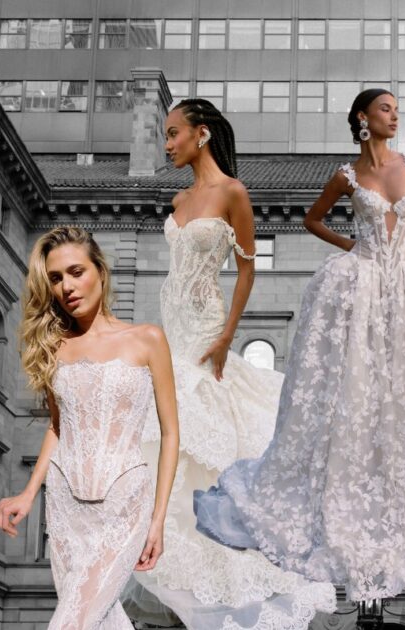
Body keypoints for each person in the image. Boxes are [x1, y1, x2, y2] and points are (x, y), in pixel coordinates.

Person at [195, 88, 405, 606]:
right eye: (385, 108)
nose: (395, 115)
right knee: (354, 388)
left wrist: (401, 248)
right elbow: (313, 219)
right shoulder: (347, 175)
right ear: (362, 118)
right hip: (358, 286)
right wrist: (358, 248)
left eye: (398, 109)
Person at [124, 99, 336, 629]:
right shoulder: (178, 197)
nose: (166, 143)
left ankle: (240, 571)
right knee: (163, 435)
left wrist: (226, 338)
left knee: (212, 435)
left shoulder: (233, 193)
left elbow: (245, 271)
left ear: (201, 134)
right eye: (163, 135)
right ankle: (179, 553)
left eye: (172, 133)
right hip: (171, 328)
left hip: (205, 329)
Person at [0, 227, 180, 628]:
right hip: (65, 504)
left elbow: (170, 434)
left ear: (100, 271)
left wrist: (158, 520)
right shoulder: (54, 347)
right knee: (100, 618)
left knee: (73, 621)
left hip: (125, 499)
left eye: (76, 271)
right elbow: (58, 428)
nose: (66, 287)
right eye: (56, 278)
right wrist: (28, 494)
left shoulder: (147, 338)